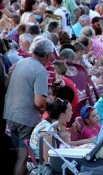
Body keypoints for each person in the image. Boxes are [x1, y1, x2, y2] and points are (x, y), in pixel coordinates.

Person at [3, 39, 53, 175]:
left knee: (18, 156)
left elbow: (7, 86)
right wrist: (50, 101)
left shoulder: (20, 63)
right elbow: (39, 102)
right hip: (25, 118)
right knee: (23, 158)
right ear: (48, 55)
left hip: (10, 115)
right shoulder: (40, 70)